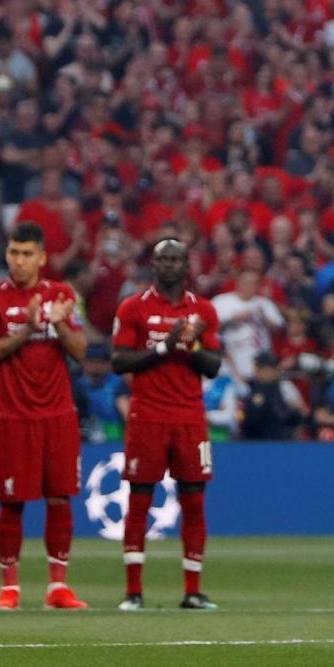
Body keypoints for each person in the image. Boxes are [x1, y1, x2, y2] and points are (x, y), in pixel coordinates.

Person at [0, 223, 89, 610]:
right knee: (11, 502)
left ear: (42, 257)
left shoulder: (62, 294)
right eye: (13, 253)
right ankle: (10, 588)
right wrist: (27, 327)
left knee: (59, 498)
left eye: (26, 254)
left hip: (57, 414)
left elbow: (82, 351)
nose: (18, 261)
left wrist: (56, 322)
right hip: (13, 416)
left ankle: (58, 586)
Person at [110, 237, 223, 610]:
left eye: (176, 259)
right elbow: (119, 361)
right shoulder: (133, 308)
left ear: (186, 265)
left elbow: (213, 366)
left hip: (189, 416)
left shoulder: (203, 310)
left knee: (194, 500)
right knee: (140, 499)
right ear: (153, 265)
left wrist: (190, 346)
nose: (170, 265)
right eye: (163, 259)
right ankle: (133, 591)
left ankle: (192, 590)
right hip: (147, 415)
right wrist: (165, 345)